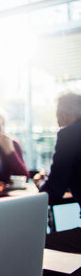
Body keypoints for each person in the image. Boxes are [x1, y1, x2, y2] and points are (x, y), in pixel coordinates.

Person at [35, 92, 81, 253]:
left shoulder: (69, 134)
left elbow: (54, 191)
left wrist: (39, 183)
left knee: (35, 244)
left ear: (63, 114)